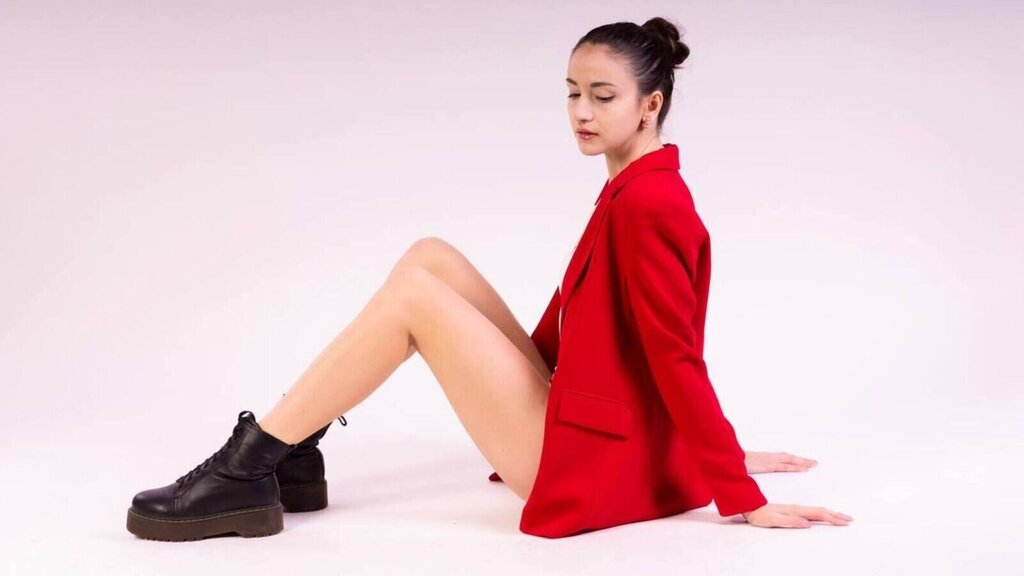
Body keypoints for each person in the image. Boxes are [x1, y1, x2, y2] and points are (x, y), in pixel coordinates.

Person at [126, 16, 853, 542]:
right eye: (572, 92)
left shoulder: (649, 204)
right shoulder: (633, 187)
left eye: (603, 96)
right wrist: (704, 448)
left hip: (588, 463)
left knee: (412, 299)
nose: (581, 113)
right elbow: (594, 327)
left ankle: (249, 466)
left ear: (650, 104)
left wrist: (736, 487)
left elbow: (675, 355)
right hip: (599, 425)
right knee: (430, 256)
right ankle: (292, 453)